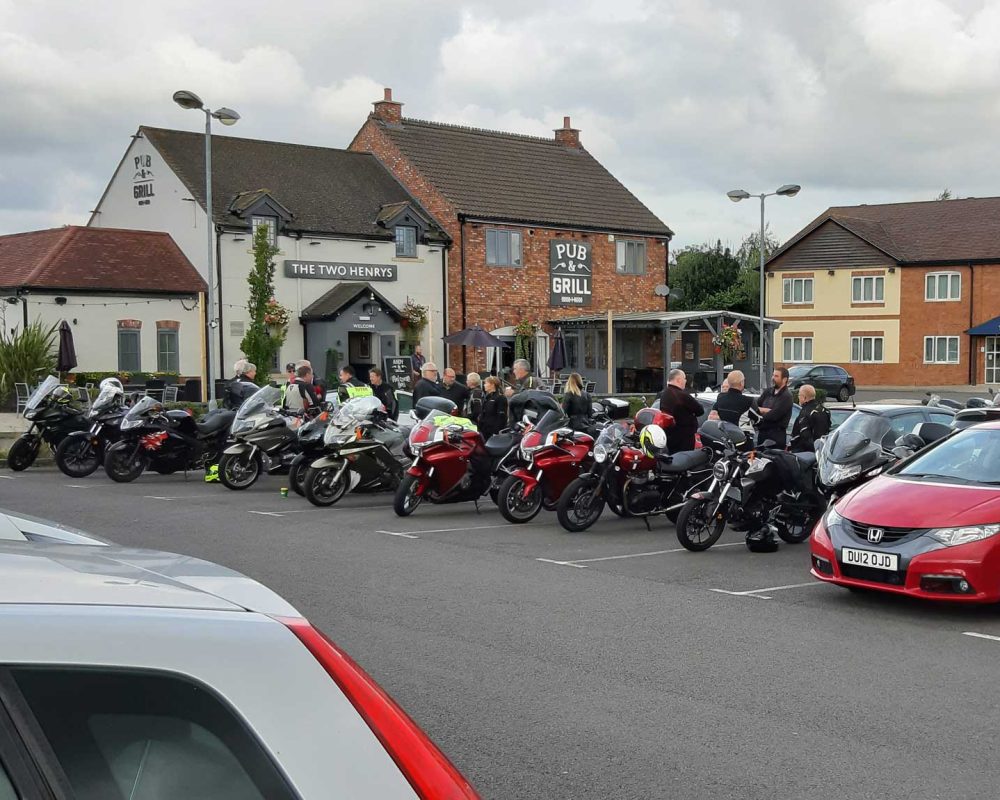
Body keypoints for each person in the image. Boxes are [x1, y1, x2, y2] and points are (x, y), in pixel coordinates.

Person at [658, 368, 704, 452]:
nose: (686, 381)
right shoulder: (681, 396)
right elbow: (700, 410)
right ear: (678, 380)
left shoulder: (663, 394)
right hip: (684, 438)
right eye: (684, 378)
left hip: (669, 436)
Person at [757, 367, 794, 448]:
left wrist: (761, 413)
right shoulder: (768, 391)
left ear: (784, 379)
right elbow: (755, 407)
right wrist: (765, 410)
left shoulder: (786, 396)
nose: (773, 378)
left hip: (776, 436)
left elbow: (774, 415)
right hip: (762, 434)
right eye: (773, 375)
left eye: (776, 376)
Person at [790, 384, 831, 453]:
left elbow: (805, 437)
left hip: (806, 453)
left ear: (804, 397)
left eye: (799, 395)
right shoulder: (824, 410)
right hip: (823, 450)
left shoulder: (805, 413)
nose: (798, 398)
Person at [479, 376, 508, 440]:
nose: (484, 385)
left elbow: (502, 416)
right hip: (484, 429)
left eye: (486, 383)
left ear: (492, 385)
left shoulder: (500, 398)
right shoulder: (487, 397)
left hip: (493, 431)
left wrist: (496, 431)